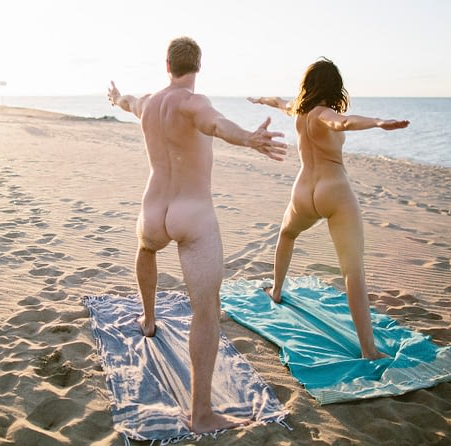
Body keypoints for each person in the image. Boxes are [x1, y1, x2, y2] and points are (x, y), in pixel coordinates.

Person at [108, 36, 287, 433]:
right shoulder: (193, 101)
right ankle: (202, 413)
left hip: (154, 208)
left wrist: (117, 96)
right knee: (205, 309)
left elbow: (127, 102)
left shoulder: (149, 103)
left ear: (167, 64)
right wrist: (250, 139)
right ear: (198, 67)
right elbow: (217, 125)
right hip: (192, 211)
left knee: (146, 249)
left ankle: (149, 319)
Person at [248, 57, 409, 360]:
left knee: (287, 234)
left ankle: (277, 290)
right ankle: (368, 350)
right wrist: (377, 122)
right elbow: (343, 122)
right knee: (353, 270)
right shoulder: (324, 113)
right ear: (334, 87)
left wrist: (259, 100)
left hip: (304, 191)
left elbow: (276, 100)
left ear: (309, 84)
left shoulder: (298, 109)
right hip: (334, 192)